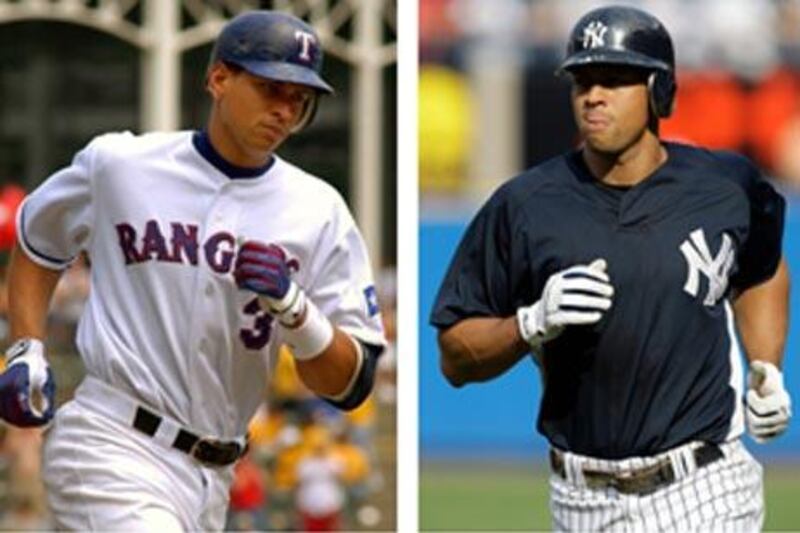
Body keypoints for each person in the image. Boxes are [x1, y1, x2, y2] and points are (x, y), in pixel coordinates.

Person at [0, 9, 385, 530]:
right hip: (111, 441)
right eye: (272, 88)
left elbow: (351, 383)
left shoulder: (319, 211)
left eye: (300, 99)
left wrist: (298, 312)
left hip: (216, 474)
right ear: (219, 78)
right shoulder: (121, 165)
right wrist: (27, 346)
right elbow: (36, 242)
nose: (285, 110)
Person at [431, 5, 792, 531]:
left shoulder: (724, 185)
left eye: (615, 79)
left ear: (659, 90)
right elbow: (455, 357)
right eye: (583, 79)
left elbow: (761, 268)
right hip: (579, 496)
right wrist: (529, 324)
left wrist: (768, 370)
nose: (593, 95)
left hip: (704, 481)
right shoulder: (526, 204)